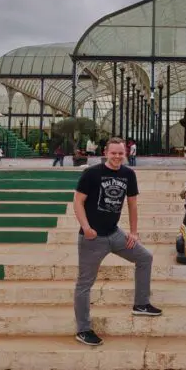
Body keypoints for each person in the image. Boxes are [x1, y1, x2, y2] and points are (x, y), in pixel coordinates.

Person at [73, 137, 161, 346]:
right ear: (106, 152)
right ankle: (83, 329)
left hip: (115, 234)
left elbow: (132, 204)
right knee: (85, 283)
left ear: (126, 153)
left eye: (121, 153)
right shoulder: (91, 173)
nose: (117, 157)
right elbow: (77, 201)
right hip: (92, 238)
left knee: (145, 258)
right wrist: (86, 228)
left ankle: (141, 304)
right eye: (113, 153)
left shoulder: (128, 174)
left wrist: (133, 232)